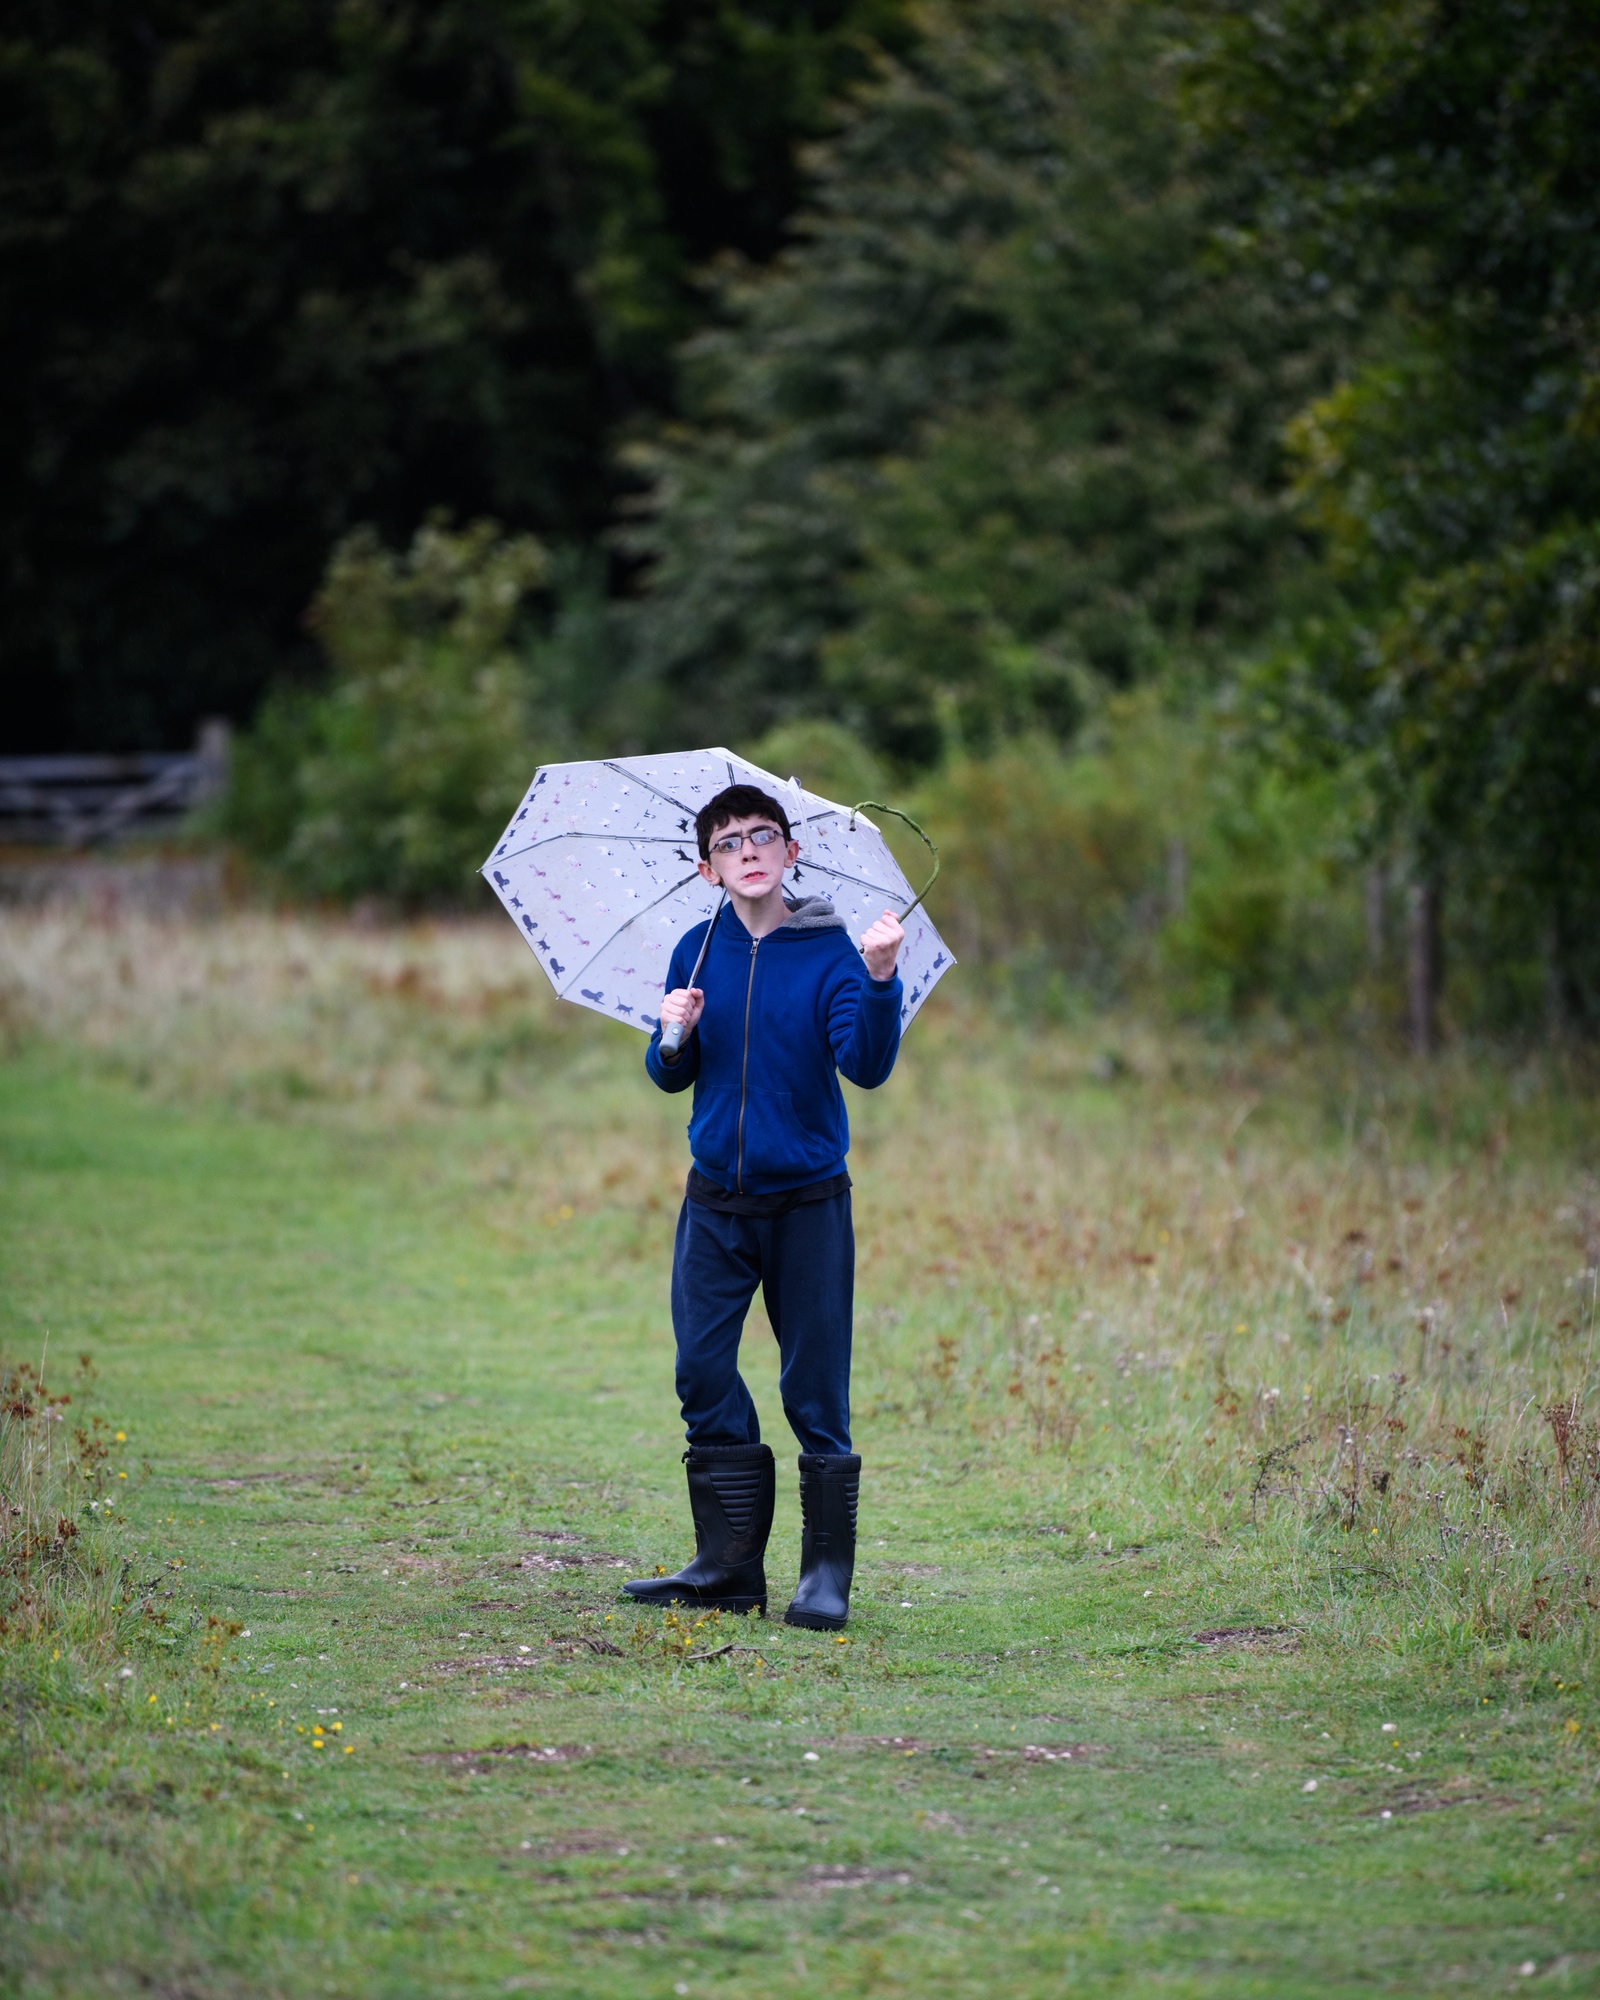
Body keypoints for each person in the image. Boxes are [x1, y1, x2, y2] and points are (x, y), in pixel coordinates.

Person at [623, 783, 904, 1629]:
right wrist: (670, 1033)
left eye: (762, 835)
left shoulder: (833, 953)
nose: (747, 850)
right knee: (702, 1371)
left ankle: (823, 1578)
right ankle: (728, 1567)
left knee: (814, 1387)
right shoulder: (695, 950)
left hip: (808, 1204)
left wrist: (880, 978)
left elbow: (866, 1066)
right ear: (707, 869)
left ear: (790, 852)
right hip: (715, 1200)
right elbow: (669, 1075)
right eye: (728, 842)